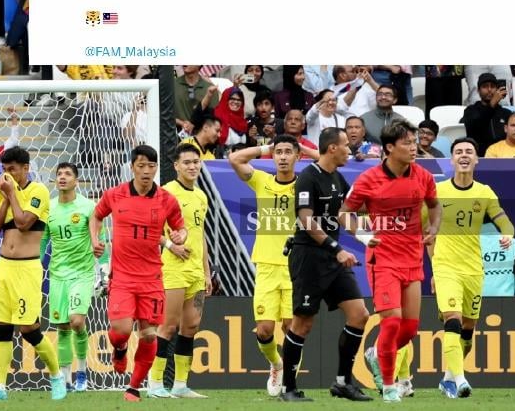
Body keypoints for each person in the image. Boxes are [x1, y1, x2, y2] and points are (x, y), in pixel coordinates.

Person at [343, 120, 440, 403]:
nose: (414, 147)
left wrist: (433, 229)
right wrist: (362, 235)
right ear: (389, 148)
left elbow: (434, 206)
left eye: (414, 142)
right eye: (407, 143)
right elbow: (344, 212)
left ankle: (376, 354)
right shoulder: (368, 179)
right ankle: (388, 386)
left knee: (409, 329)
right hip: (383, 259)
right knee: (392, 322)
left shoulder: (423, 175)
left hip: (413, 258)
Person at [279, 127, 371, 402]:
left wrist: (367, 238)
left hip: (332, 259)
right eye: (345, 145)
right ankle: (288, 389)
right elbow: (306, 221)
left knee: (359, 315)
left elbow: (344, 215)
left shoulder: (337, 177)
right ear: (332, 148)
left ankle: (342, 382)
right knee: (302, 323)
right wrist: (337, 248)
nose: (349, 150)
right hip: (309, 258)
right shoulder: (308, 177)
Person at [90, 144, 187, 402]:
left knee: (148, 335)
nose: (147, 171)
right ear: (132, 166)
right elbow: (96, 216)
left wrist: (180, 235)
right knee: (121, 330)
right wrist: (95, 239)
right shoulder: (115, 194)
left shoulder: (166, 199)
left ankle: (133, 387)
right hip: (122, 276)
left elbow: (180, 227)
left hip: (152, 278)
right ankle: (119, 349)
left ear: (156, 168)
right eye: (141, 166)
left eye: (151, 166)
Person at [0, 146, 66, 401]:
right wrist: (4, 197)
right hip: (4, 267)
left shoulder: (39, 191)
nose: (8, 174)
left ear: (26, 168)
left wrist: (11, 193)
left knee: (29, 329)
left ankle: (57, 376)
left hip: (28, 268)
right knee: (2, 327)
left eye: (12, 169)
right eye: (4, 170)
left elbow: (25, 223)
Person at [230, 135, 318, 397]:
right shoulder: (262, 181)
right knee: (265, 329)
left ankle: (290, 383)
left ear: (297, 156)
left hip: (296, 267)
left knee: (292, 328)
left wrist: (304, 149)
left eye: (287, 152)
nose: (282, 156)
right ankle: (276, 364)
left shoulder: (305, 184)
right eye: (278, 152)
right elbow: (235, 158)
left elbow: (327, 162)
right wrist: (266, 148)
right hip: (267, 266)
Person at [428, 137, 514, 398]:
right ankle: (461, 381)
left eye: (469, 152)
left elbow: (505, 222)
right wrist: (433, 269)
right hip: (445, 266)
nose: (463, 155)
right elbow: (427, 233)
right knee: (452, 320)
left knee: (468, 328)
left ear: (476, 159)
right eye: (458, 152)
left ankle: (448, 378)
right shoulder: (437, 191)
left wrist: (508, 235)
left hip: (474, 269)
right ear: (452, 160)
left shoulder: (485, 192)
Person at [147, 144, 211, 399]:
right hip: (173, 268)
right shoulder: (165, 194)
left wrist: (206, 271)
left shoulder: (201, 196)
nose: (193, 166)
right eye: (187, 162)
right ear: (176, 166)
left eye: (196, 162)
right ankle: (154, 383)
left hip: (196, 270)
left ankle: (181, 385)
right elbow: (152, 231)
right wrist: (171, 245)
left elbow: (200, 235)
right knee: (168, 326)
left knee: (191, 326)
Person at [40, 162, 103, 392]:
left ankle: (82, 373)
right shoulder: (49, 208)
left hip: (82, 273)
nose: (63, 177)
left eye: (68, 174)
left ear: (76, 181)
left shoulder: (88, 207)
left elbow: (100, 240)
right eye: (59, 174)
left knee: (77, 321)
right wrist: (35, 263)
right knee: (63, 327)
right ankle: (66, 379)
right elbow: (44, 241)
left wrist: (103, 269)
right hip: (57, 275)